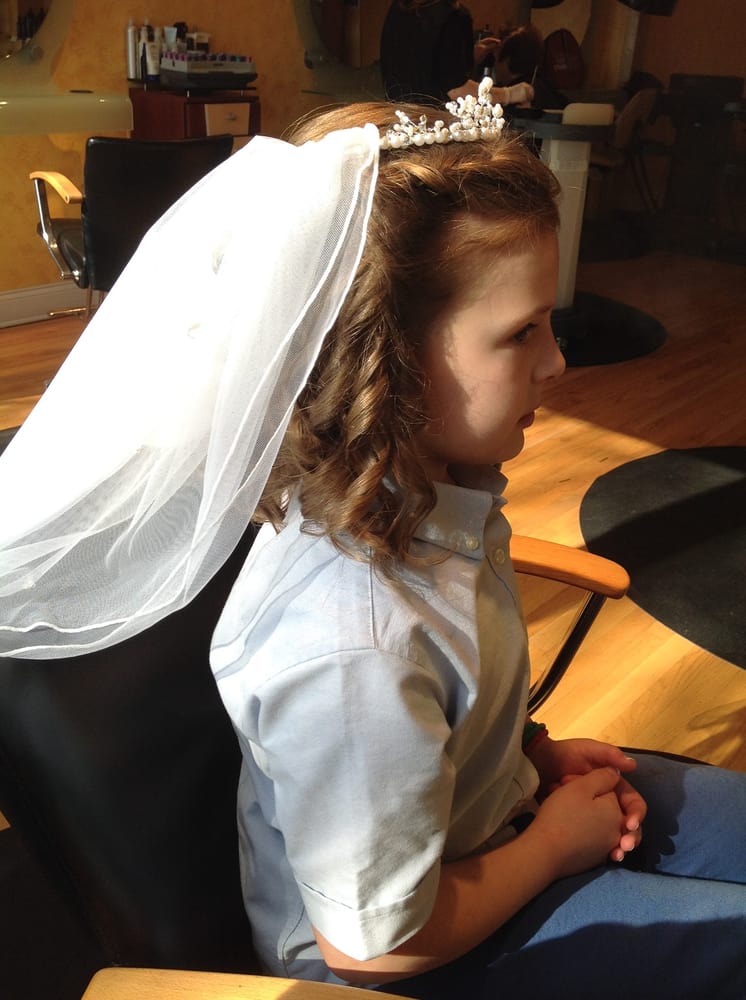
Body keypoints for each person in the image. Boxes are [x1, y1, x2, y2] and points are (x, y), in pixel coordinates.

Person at [0, 82, 744, 998]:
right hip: (411, 957)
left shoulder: (437, 499)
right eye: (521, 333)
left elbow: (443, 708)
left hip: (486, 826)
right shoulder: (352, 640)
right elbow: (373, 947)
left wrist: (527, 756)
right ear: (381, 362)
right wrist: (553, 845)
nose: (557, 362)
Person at [380, 0, 533, 107]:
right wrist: (510, 94)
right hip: (432, 124)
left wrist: (469, 56)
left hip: (395, 118)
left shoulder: (400, 7)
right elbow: (456, 89)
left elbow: (422, 64)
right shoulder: (453, 16)